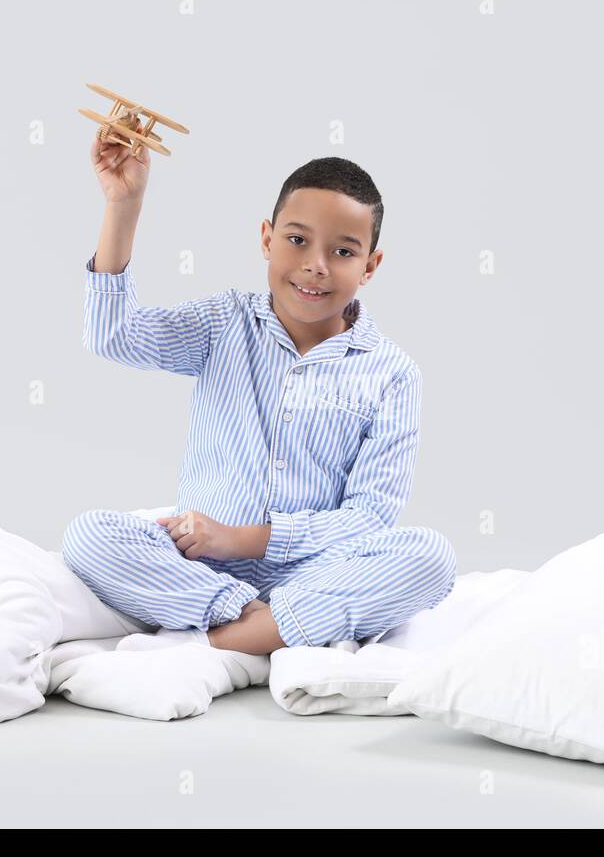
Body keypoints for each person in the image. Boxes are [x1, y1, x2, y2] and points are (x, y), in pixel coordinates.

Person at [61, 136, 456, 656]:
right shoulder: (223, 322)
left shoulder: (393, 374)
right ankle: (258, 622)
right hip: (199, 565)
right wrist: (124, 204)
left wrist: (241, 538)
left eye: (342, 252)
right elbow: (115, 336)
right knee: (89, 535)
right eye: (297, 240)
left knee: (431, 556)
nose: (317, 265)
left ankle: (220, 644)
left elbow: (368, 519)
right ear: (267, 238)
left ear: (370, 266)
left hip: (314, 569)